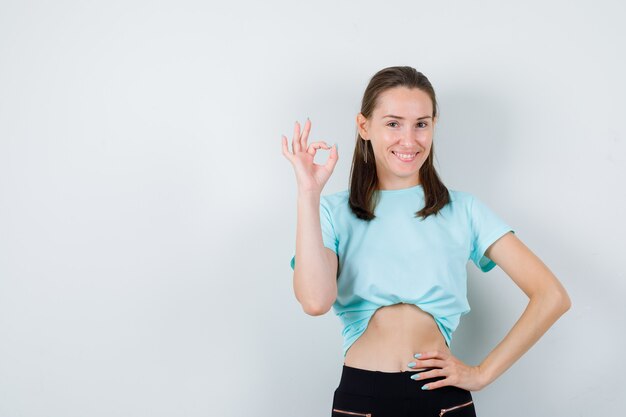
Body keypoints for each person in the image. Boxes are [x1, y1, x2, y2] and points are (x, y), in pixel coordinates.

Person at [281, 66, 571, 417]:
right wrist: (308, 194)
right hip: (362, 398)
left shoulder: (463, 210)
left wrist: (482, 374)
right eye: (393, 123)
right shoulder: (331, 210)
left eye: (421, 123)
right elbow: (314, 301)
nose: (409, 139)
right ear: (364, 126)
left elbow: (552, 296)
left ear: (434, 125)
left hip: (442, 400)